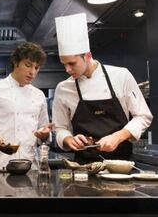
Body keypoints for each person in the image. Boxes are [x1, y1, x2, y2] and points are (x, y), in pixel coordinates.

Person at [52, 13, 153, 164]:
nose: (67, 69)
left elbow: (143, 116)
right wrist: (68, 139)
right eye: (64, 64)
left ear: (87, 55)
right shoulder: (64, 88)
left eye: (72, 63)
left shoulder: (121, 76)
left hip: (121, 165)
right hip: (83, 168)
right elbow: (60, 127)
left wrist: (118, 136)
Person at [0, 42, 54, 169]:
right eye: (28, 65)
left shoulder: (39, 95)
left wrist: (45, 134)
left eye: (36, 68)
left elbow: (43, 128)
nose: (32, 72)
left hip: (30, 167)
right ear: (16, 63)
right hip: (0, 165)